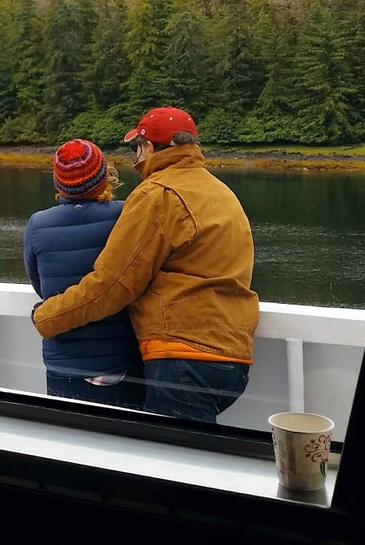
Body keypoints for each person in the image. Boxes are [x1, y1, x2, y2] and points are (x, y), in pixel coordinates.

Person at [31, 107, 259, 423]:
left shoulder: (156, 195)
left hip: (182, 360)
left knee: (178, 464)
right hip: (233, 360)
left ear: (149, 147)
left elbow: (112, 285)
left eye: (135, 147)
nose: (134, 157)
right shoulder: (220, 191)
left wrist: (47, 317)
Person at [24, 138, 144, 409]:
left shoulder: (38, 224)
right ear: (104, 176)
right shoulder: (126, 215)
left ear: (58, 183)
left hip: (65, 364)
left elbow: (40, 286)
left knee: (69, 445)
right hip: (121, 359)